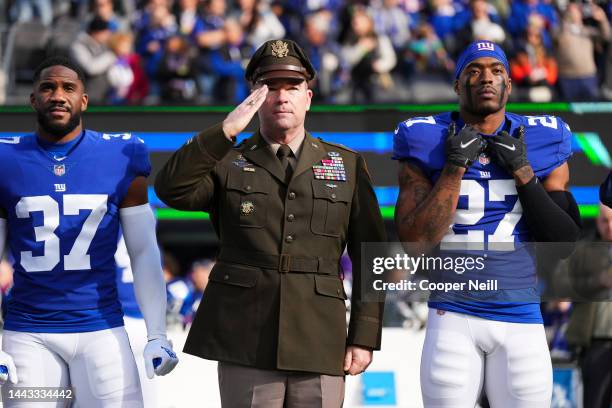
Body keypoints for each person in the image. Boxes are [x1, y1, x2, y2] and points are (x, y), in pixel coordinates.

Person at [155, 39, 386, 407]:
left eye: (292, 87)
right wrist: (225, 131)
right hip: (247, 337)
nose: (282, 97)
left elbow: (371, 255)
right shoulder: (227, 161)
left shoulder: (346, 165)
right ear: (255, 97)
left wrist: (363, 335)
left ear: (308, 97)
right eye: (271, 87)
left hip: (320, 336)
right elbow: (171, 189)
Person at [393, 40, 581, 407]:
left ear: (509, 85)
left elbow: (564, 243)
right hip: (452, 312)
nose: (486, 78)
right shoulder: (425, 137)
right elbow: (415, 242)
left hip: (520, 314)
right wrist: (453, 168)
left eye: (496, 71)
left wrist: (523, 171)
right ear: (457, 84)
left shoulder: (544, 136)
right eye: (474, 71)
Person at [0, 56, 178, 407]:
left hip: (101, 331)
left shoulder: (121, 154)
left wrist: (157, 333)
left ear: (84, 99)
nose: (57, 95)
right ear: (33, 98)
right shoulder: (6, 158)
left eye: (68, 87)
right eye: (47, 87)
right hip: (28, 334)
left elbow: (143, 251)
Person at [562, 203, 612, 408]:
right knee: (595, 401)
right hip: (596, 343)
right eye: (604, 220)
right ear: (597, 221)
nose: (609, 226)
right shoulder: (584, 250)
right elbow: (561, 287)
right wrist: (597, 281)